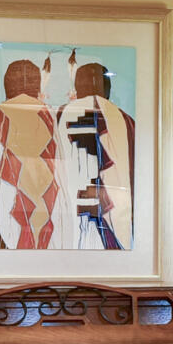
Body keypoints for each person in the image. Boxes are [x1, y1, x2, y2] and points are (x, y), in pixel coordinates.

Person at [0, 59, 58, 249]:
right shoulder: (53, 119)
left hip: (0, 233)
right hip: (50, 232)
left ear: (6, 86)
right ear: (37, 87)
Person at [54, 60, 137, 251]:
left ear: (77, 87)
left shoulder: (59, 114)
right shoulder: (127, 121)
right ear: (107, 88)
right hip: (114, 214)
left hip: (71, 215)